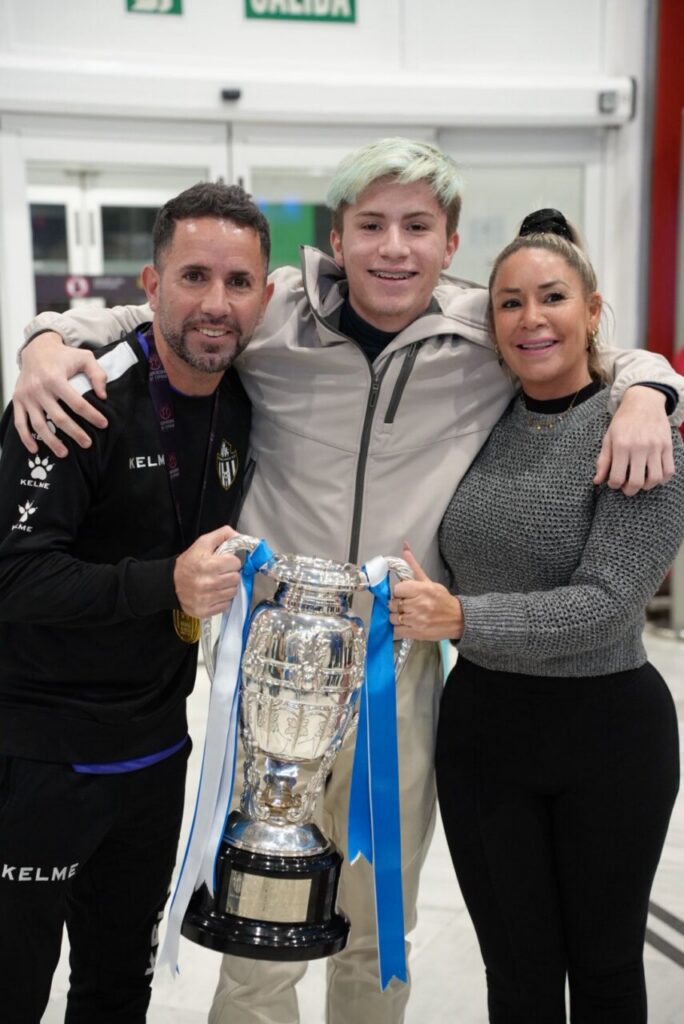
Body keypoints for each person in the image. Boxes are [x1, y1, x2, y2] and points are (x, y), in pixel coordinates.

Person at [11, 140, 684, 1024]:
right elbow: (154, 314)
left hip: (394, 677)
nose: (392, 248)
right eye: (371, 225)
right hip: (270, 682)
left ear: (450, 245)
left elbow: (589, 345)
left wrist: (650, 390)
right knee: (256, 941)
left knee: (377, 936)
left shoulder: (485, 330)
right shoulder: (272, 312)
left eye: (417, 227)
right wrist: (43, 341)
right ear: (338, 238)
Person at [390, 211, 684, 1023]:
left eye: (551, 297)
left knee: (604, 973)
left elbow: (607, 605)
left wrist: (460, 619)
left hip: (608, 739)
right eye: (509, 303)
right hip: (484, 735)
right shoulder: (479, 422)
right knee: (515, 978)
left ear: (592, 311)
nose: (530, 319)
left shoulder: (642, 434)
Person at [0, 181, 273, 1023]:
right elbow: (14, 574)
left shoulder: (241, 404)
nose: (215, 304)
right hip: (37, 759)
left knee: (119, 985)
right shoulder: (73, 399)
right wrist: (167, 582)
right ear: (149, 287)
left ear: (265, 294)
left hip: (155, 756)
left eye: (238, 283)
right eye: (193, 277)